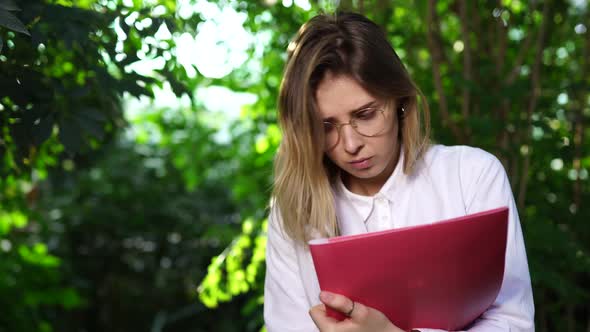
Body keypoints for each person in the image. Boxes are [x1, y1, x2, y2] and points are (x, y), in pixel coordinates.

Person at [264, 12, 534, 332]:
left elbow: (512, 323)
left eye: (365, 114)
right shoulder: (293, 211)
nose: (350, 144)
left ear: (399, 100)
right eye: (326, 126)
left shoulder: (471, 176)